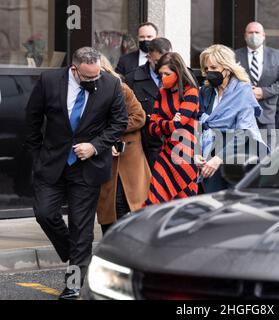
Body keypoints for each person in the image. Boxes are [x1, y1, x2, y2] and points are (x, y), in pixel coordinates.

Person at [25, 47, 128, 300]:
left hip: (88, 168)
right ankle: (78, 254)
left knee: (81, 228)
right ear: (74, 69)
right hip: (51, 163)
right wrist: (38, 157)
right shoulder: (49, 81)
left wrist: (95, 146)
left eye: (98, 75)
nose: (95, 81)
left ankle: (73, 285)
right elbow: (32, 119)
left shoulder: (111, 84)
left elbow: (119, 123)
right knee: (45, 214)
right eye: (88, 77)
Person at [198, 44, 265, 194]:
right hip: (208, 157)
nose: (209, 72)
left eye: (214, 68)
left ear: (227, 68)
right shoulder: (206, 92)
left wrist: (218, 158)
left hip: (236, 159)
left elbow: (244, 131)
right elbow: (198, 123)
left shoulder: (243, 90)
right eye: (206, 68)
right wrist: (197, 153)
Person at [96, 55, 151, 235]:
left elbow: (139, 117)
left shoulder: (122, 88)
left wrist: (112, 132)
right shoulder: (87, 92)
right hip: (103, 155)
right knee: (108, 206)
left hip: (127, 154)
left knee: (126, 201)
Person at [144, 52, 200, 205]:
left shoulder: (191, 92)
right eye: (160, 74)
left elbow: (178, 123)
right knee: (155, 198)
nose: (163, 78)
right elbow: (152, 128)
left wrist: (162, 122)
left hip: (187, 151)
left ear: (178, 72)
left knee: (184, 202)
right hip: (167, 150)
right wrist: (169, 122)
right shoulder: (162, 93)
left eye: (167, 73)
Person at [125, 38, 172, 170]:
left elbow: (195, 116)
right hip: (145, 147)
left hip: (178, 146)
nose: (163, 65)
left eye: (167, 61)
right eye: (158, 62)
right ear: (149, 57)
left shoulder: (185, 77)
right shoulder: (132, 79)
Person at [235, 22, 279, 146]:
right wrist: (246, 91)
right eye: (250, 32)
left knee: (269, 158)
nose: (254, 35)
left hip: (269, 115)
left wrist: (263, 92)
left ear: (263, 35)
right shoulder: (234, 56)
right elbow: (231, 80)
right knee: (245, 158)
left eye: (257, 32)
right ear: (245, 35)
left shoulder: (277, 56)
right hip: (243, 115)